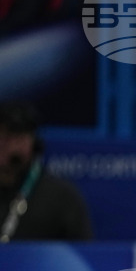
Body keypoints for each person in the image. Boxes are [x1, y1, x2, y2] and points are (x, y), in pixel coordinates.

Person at [0, 100, 92, 242]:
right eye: (5, 138)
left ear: (34, 143)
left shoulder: (61, 197)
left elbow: (82, 255)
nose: (12, 146)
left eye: (19, 138)